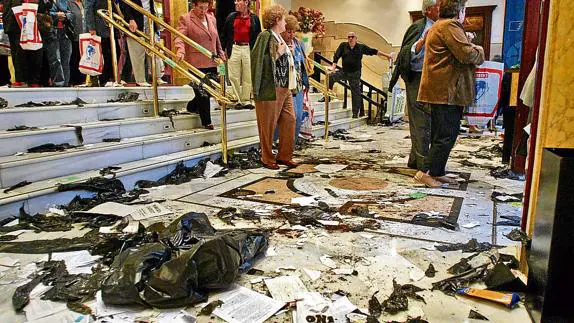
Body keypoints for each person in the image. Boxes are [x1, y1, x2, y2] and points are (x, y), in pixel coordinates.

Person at [415, 0, 485, 187]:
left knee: (442, 134)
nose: (465, 14)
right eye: (464, 10)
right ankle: (426, 172)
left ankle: (437, 172)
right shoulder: (450, 25)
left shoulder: (440, 25)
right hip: (447, 92)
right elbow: (468, 55)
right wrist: (479, 48)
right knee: (445, 135)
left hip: (442, 90)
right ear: (459, 11)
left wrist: (467, 42)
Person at [390, 0, 439, 171]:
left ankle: (414, 161)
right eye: (438, 6)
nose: (441, 9)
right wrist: (422, 42)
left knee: (426, 123)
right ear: (428, 10)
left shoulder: (441, 26)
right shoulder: (419, 27)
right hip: (417, 78)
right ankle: (423, 166)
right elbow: (406, 53)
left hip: (432, 80)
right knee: (421, 123)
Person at [251, 4, 297, 169]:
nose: (285, 23)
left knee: (290, 120)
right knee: (268, 124)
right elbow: (258, 61)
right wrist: (279, 53)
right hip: (271, 88)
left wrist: (286, 51)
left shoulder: (280, 38)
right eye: (283, 19)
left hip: (285, 87)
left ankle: (284, 155)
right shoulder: (265, 36)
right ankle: (267, 158)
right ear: (277, 20)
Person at [175, 0, 226, 130]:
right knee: (202, 92)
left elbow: (216, 38)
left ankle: (192, 106)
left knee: (210, 90)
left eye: (206, 7)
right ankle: (206, 121)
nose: (204, 11)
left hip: (212, 60)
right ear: (194, 5)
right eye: (201, 8)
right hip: (196, 62)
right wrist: (180, 50)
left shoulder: (211, 18)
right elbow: (180, 36)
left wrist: (221, 53)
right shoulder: (185, 19)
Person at [327, 32, 392, 118]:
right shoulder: (343, 45)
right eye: (349, 37)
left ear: (356, 39)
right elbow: (337, 56)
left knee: (355, 92)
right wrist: (333, 68)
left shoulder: (360, 47)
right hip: (345, 71)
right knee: (331, 77)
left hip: (355, 73)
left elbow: (373, 51)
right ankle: (327, 96)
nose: (350, 39)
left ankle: (355, 113)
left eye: (352, 37)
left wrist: (387, 55)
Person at [221, 0, 261, 109]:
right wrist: (222, 50)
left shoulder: (254, 18)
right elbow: (224, 34)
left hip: (248, 48)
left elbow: (258, 36)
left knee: (248, 75)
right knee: (234, 75)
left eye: (239, 1)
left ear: (246, 2)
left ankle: (246, 100)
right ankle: (236, 99)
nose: (235, 3)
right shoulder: (231, 17)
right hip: (234, 47)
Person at [2, 0, 52, 87]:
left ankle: (34, 81)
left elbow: (48, 4)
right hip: (14, 22)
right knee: (17, 52)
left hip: (35, 21)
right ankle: (20, 80)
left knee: (36, 51)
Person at [280, 14, 308, 143]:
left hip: (298, 85)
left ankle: (293, 142)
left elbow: (303, 65)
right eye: (288, 32)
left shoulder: (299, 44)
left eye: (293, 32)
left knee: (298, 116)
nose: (291, 35)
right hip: (285, 84)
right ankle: (280, 142)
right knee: (287, 116)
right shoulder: (279, 43)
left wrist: (306, 83)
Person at [123, 0, 157, 86]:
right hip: (135, 24)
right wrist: (130, 19)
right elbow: (125, 5)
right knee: (137, 53)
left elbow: (151, 7)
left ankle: (155, 77)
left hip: (149, 23)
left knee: (152, 52)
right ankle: (140, 79)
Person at [85, 0, 120, 86]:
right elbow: (88, 9)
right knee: (103, 54)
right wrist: (91, 27)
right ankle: (104, 79)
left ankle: (111, 77)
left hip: (110, 27)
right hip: (99, 27)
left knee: (116, 52)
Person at [68, 0, 86, 86]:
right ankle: (72, 80)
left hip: (85, 37)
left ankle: (82, 80)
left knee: (83, 59)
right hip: (74, 36)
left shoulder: (84, 3)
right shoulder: (68, 3)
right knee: (73, 59)